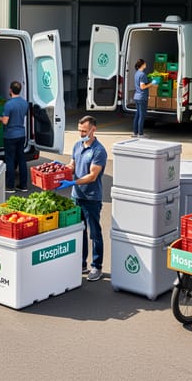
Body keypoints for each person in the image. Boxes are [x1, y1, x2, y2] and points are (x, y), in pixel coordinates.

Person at [56, 116, 107, 282]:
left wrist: (73, 181)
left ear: (93, 130)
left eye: (84, 131)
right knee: (79, 231)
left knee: (95, 233)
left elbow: (93, 175)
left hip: (91, 198)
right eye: (79, 130)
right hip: (76, 196)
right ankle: (81, 263)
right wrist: (63, 168)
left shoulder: (99, 151)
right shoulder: (78, 145)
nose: (81, 134)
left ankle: (96, 266)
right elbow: (72, 165)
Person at [1, 81, 29, 193]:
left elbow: (5, 121)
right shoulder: (24, 103)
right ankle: (23, 185)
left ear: (10, 90)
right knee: (22, 159)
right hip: (21, 134)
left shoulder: (8, 104)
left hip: (10, 135)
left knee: (10, 160)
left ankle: (10, 186)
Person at [132, 59, 158, 138]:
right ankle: (140, 133)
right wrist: (151, 84)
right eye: (145, 63)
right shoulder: (142, 74)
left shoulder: (137, 73)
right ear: (142, 65)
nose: (146, 64)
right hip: (142, 97)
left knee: (137, 115)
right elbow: (142, 87)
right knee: (142, 116)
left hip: (136, 96)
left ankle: (135, 133)